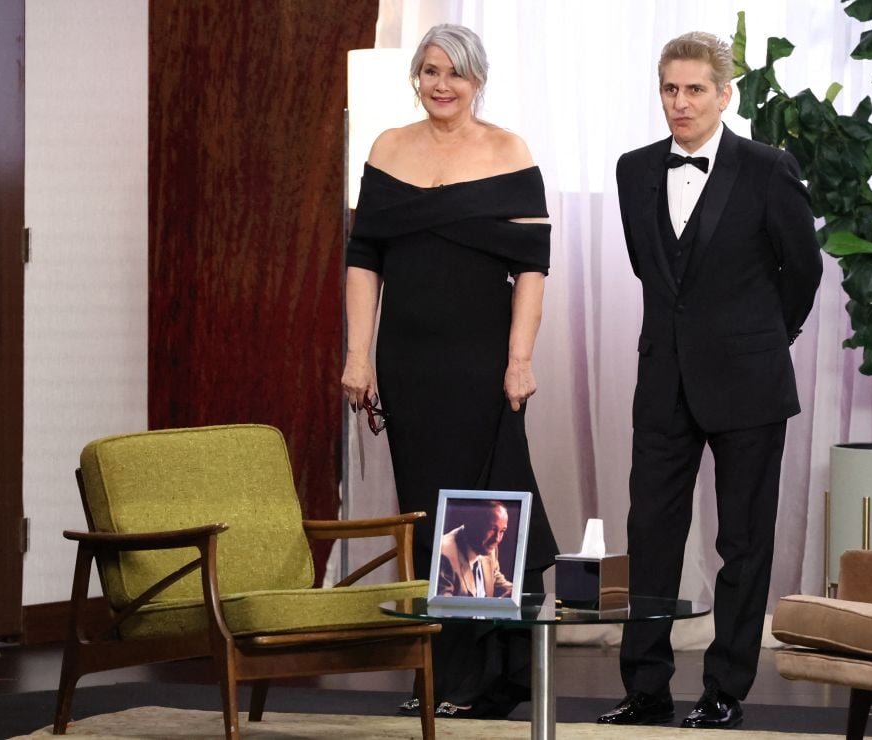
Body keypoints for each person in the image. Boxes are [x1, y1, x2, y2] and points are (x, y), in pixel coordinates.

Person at [597, 32, 822, 729]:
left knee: (743, 543)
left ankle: (725, 689)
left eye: (695, 89)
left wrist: (763, 340)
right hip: (663, 379)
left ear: (725, 94)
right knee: (653, 538)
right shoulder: (634, 170)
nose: (681, 102)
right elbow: (652, 270)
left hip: (749, 383)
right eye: (670, 89)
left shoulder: (767, 167)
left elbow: (803, 269)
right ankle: (646, 689)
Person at [341, 23, 559, 719]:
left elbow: (532, 268)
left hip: (482, 362)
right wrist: (358, 354)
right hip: (409, 363)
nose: (442, 84)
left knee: (484, 511)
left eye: (455, 73)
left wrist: (519, 360)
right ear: (418, 75)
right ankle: (446, 673)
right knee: (432, 509)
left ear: (477, 80)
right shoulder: (387, 148)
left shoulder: (508, 151)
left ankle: (483, 677)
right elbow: (364, 259)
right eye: (431, 70)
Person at [437, 500, 513, 598]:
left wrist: (514, 591)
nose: (497, 539)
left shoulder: (488, 546)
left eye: (502, 531)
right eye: (492, 529)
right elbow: (443, 607)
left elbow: (494, 578)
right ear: (473, 522)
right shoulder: (444, 552)